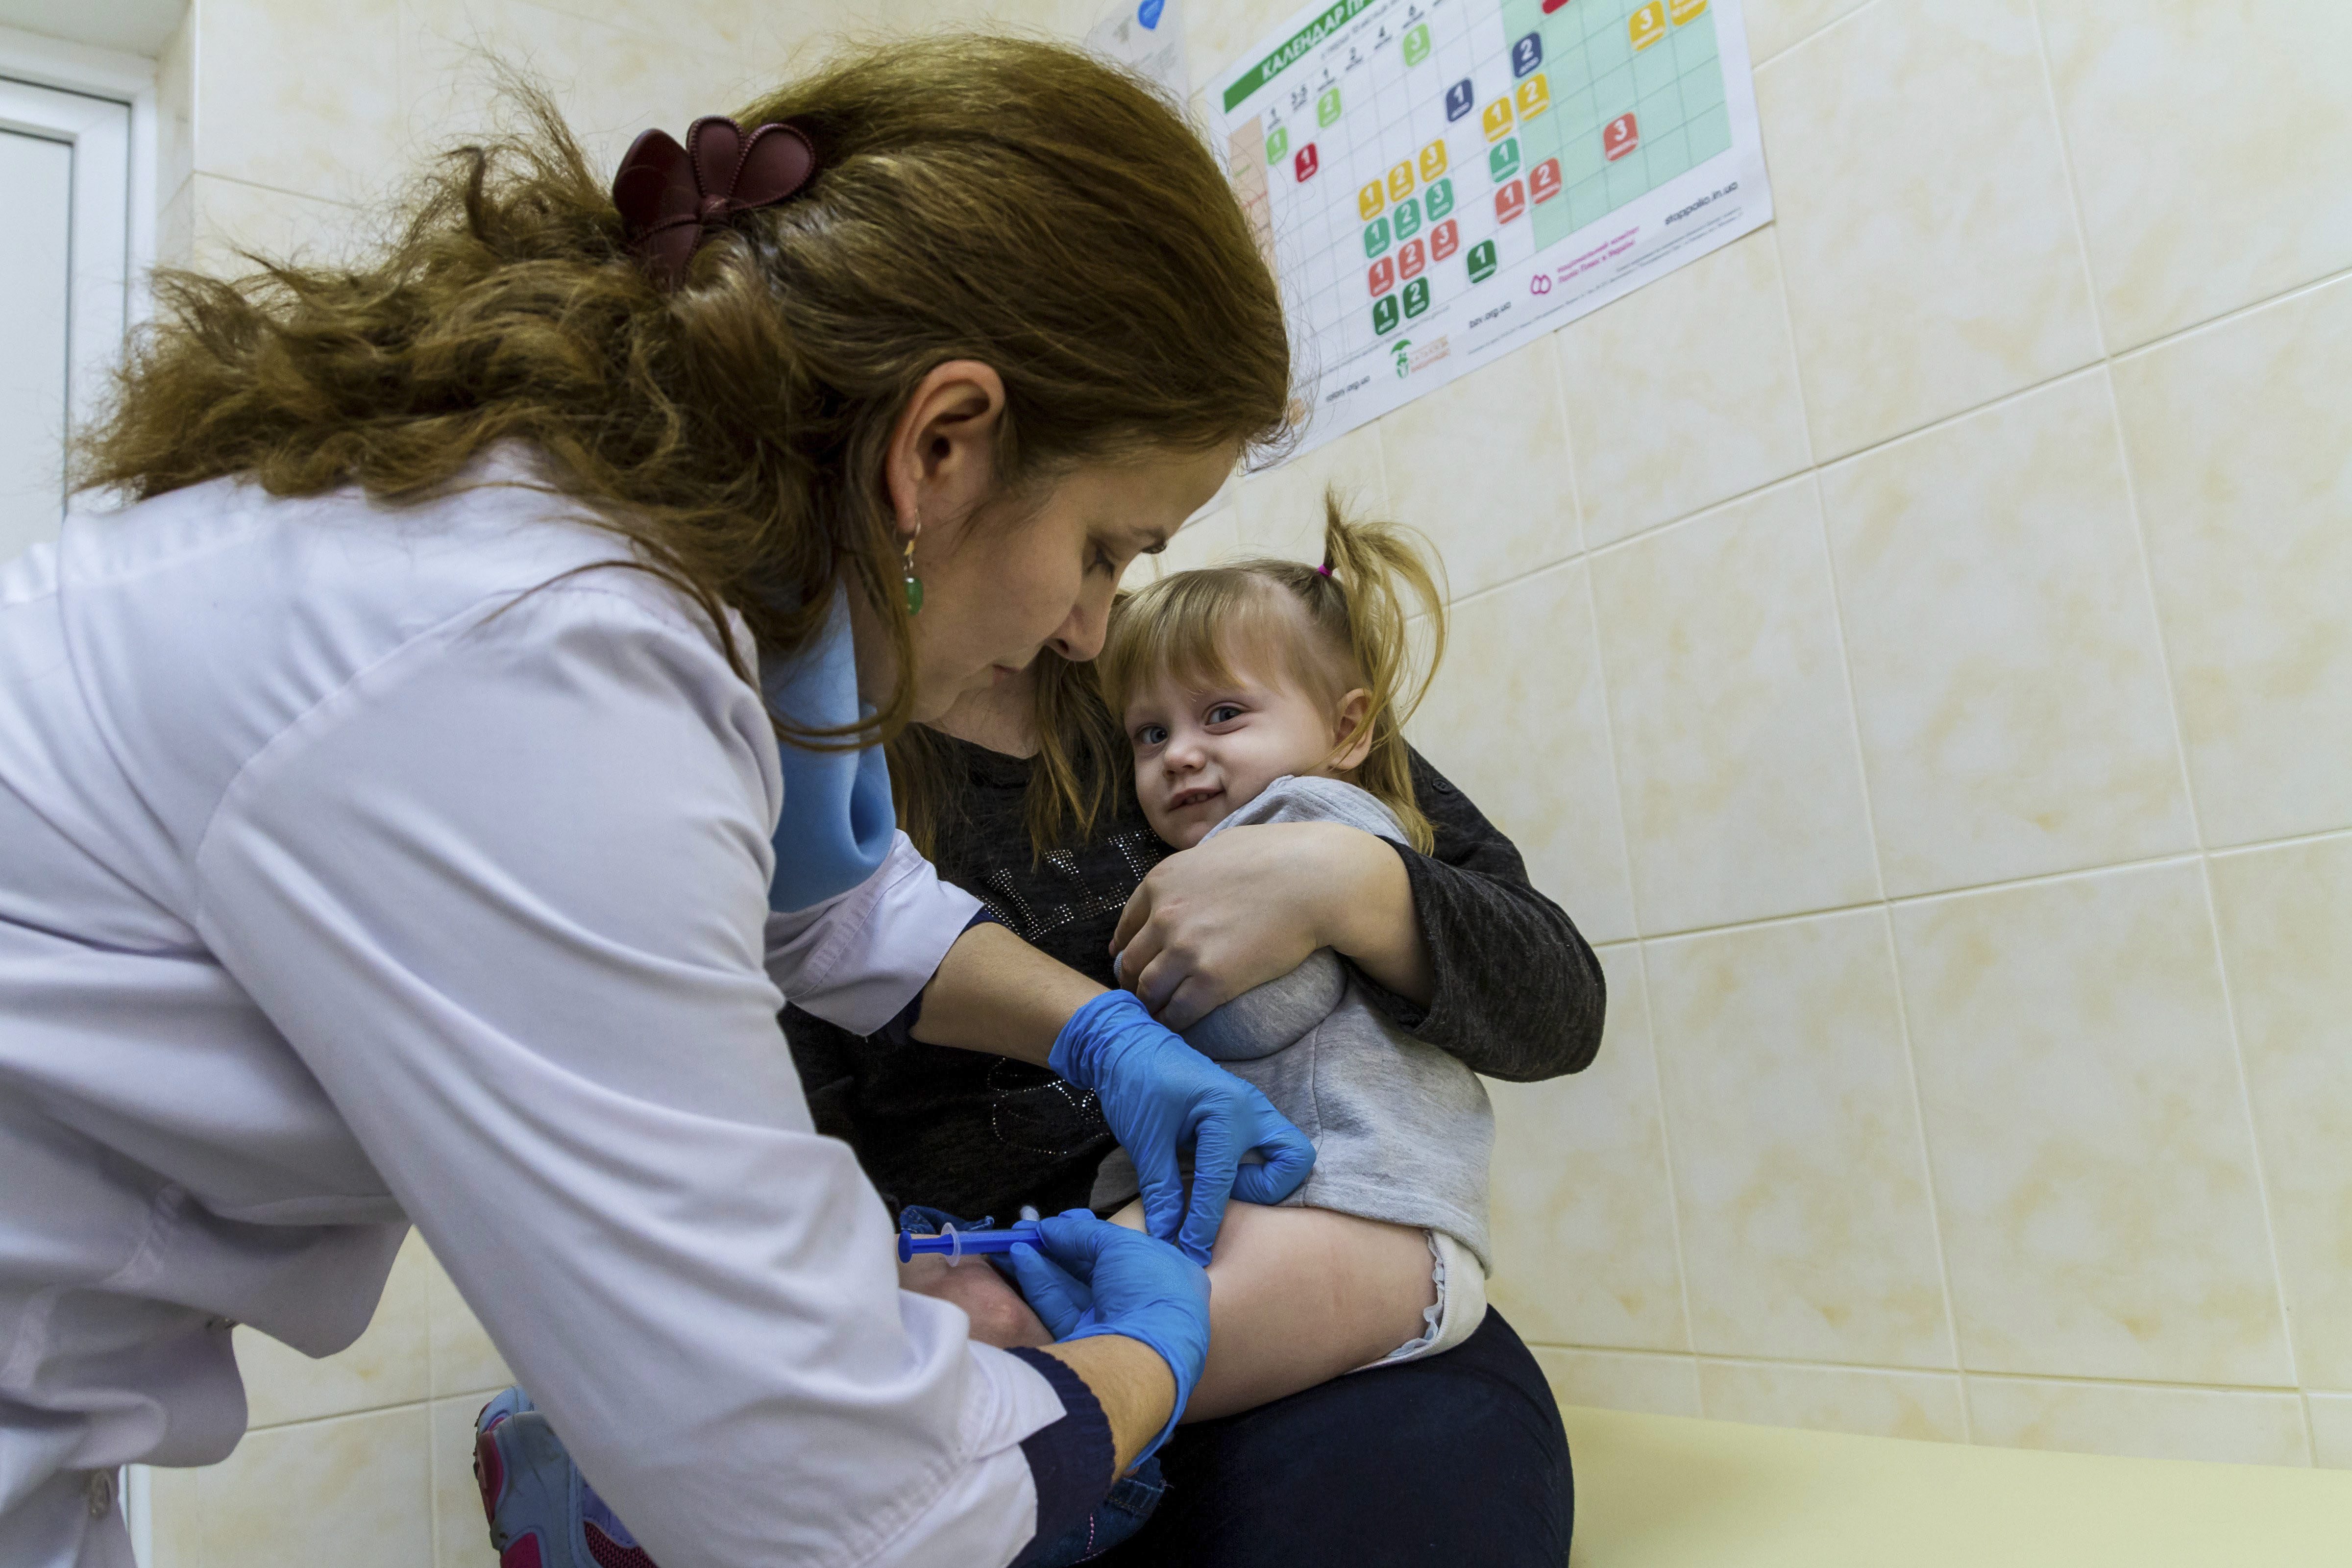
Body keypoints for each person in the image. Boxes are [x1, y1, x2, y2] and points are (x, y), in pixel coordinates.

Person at [0, 38, 1321, 1568]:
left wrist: (1106, 1035)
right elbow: (841, 1512)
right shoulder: (529, 648)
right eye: (1106, 548)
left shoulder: (651, 564)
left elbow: (824, 891)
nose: (1092, 631)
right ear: (940, 447)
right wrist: (1153, 1349)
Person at [791, 528, 1604, 1563]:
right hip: (1026, 1281)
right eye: (1098, 543)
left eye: (1126, 548)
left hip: (1324, 1250)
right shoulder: (808, 764)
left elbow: (1559, 1006)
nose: (1097, 621)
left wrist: (1349, 884)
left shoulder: (1211, 679)